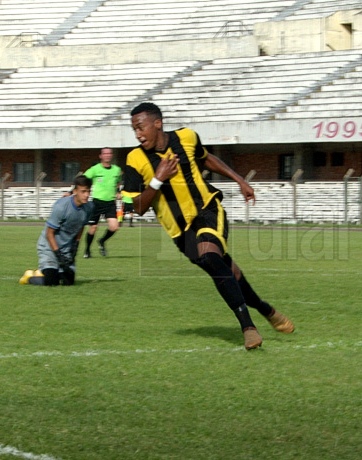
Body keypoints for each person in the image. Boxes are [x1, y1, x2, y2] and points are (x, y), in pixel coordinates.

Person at [122, 102, 293, 350]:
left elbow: (206, 159)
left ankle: (248, 328)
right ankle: (265, 308)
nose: (138, 134)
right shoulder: (134, 159)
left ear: (157, 123)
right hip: (180, 232)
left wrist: (239, 180)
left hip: (207, 210)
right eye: (134, 130)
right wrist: (157, 180)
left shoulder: (187, 137)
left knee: (211, 257)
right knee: (226, 270)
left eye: (140, 127)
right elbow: (133, 207)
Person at [20, 176, 93, 286]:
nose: (86, 195)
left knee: (68, 282)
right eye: (83, 191)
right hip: (49, 247)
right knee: (51, 282)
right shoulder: (61, 206)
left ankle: (53, 271)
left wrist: (76, 245)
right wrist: (58, 255)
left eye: (88, 191)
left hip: (67, 248)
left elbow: (81, 226)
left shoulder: (89, 207)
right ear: (75, 191)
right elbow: (49, 233)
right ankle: (29, 277)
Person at [83, 147, 122, 258]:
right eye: (105, 153)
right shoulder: (95, 169)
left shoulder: (116, 170)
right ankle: (87, 250)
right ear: (101, 156)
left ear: (112, 155)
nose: (107, 155)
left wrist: (118, 192)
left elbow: (118, 182)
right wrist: (74, 191)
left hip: (110, 203)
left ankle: (102, 241)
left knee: (114, 227)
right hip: (97, 202)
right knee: (93, 228)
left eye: (109, 153)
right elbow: (83, 179)